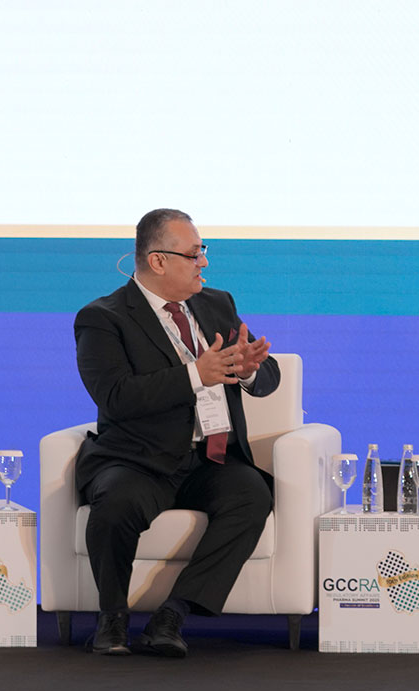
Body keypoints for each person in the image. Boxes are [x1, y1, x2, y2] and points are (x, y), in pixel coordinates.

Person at [72, 208, 279, 657]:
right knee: (115, 504)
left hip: (210, 460)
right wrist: (195, 375)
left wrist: (247, 370)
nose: (203, 262)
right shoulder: (103, 318)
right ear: (158, 261)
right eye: (194, 253)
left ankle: (172, 615)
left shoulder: (216, 304)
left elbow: (267, 375)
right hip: (139, 459)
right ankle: (112, 619)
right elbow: (115, 396)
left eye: (203, 251)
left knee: (252, 495)